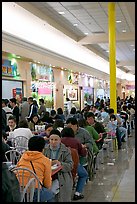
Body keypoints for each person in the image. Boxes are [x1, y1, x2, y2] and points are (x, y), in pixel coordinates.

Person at [16, 136, 55, 202]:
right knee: (50, 194)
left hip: (18, 191)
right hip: (34, 192)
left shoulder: (22, 158)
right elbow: (47, 184)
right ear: (43, 148)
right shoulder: (46, 160)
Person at [44, 129, 74, 202]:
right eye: (51, 139)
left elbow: (70, 165)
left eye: (56, 140)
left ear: (60, 140)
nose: (53, 142)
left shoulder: (66, 150)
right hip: (48, 175)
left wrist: (61, 164)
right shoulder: (45, 150)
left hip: (62, 176)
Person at [61, 127, 88, 200]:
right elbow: (83, 154)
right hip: (73, 164)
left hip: (60, 165)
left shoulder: (59, 141)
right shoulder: (76, 141)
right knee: (84, 175)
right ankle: (77, 193)